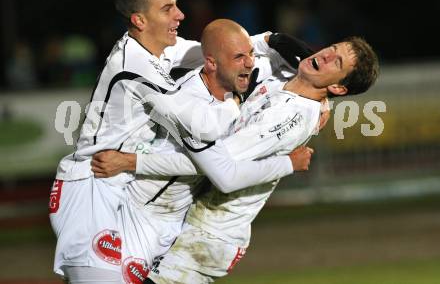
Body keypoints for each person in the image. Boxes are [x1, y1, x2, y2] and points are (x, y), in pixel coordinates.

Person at [94, 29, 379, 283]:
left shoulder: (289, 117)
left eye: (337, 62)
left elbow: (215, 166)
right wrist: (322, 93)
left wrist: (129, 161)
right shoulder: (283, 77)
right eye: (332, 48)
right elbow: (268, 42)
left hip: (210, 235)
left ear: (339, 87)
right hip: (188, 216)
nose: (326, 55)